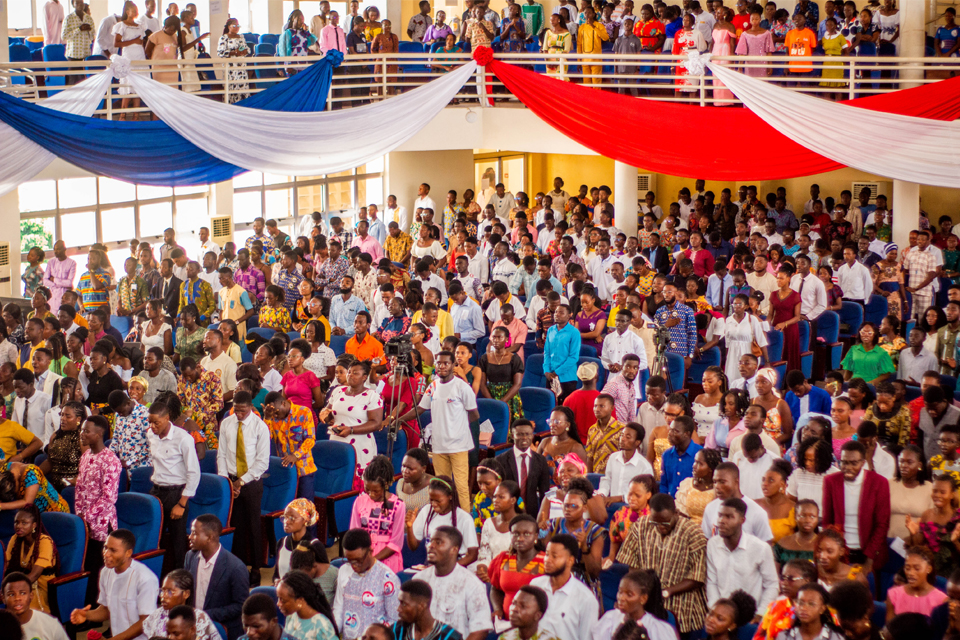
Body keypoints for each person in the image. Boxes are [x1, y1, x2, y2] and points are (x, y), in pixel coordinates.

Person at [614, 491, 709, 634]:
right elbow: (632, 566)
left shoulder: (693, 533)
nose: (660, 526)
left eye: (665, 522)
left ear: (676, 513)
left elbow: (697, 577)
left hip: (681, 606)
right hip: (647, 601)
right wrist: (642, 589)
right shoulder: (640, 526)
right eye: (655, 522)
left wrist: (665, 592)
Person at [398, 352, 478, 509]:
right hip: (438, 445)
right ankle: (445, 516)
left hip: (458, 445)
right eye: (439, 363)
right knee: (442, 486)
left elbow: (474, 414)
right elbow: (420, 409)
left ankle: (464, 519)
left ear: (453, 365)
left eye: (446, 363)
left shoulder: (462, 387)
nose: (441, 366)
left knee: (461, 487)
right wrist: (399, 419)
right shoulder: (433, 386)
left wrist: (458, 427)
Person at [218, 390, 270, 587]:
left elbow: (262, 462)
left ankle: (255, 568)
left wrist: (241, 482)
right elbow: (222, 454)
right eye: (236, 410)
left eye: (242, 410)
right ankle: (239, 567)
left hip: (251, 481)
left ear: (250, 407)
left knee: (253, 525)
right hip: (231, 480)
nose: (239, 414)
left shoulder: (260, 427)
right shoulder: (226, 423)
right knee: (235, 525)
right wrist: (226, 481)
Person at [70, 529, 160, 640]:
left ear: (128, 553)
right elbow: (107, 609)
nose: (106, 554)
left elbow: (146, 621)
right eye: (105, 547)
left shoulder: (145, 578)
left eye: (113, 550)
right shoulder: (105, 572)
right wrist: (86, 615)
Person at [147, 402, 201, 577]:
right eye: (150, 422)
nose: (152, 426)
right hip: (156, 492)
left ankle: (181, 579)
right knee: (156, 538)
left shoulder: (183, 438)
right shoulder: (151, 434)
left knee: (178, 541)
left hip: (176, 493)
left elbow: (194, 472)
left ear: (167, 418)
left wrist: (182, 503)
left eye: (156, 422)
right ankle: (159, 576)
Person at [821, 440, 891, 574]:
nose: (848, 467)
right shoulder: (831, 481)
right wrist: (834, 550)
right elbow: (827, 521)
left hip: (868, 553)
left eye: (854, 463)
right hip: (840, 553)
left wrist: (869, 560)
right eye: (844, 462)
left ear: (863, 463)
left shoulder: (879, 483)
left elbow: (882, 525)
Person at [412, 526, 491, 640]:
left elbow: (481, 630)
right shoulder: (419, 580)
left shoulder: (472, 584)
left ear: (454, 550)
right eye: (430, 541)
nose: (431, 546)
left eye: (438, 542)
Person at [706, 498, 778, 613]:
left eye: (729, 517)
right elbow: (711, 582)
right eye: (720, 515)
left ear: (742, 520)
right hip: (722, 614)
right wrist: (717, 609)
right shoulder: (712, 545)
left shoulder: (761, 548)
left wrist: (760, 613)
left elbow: (772, 585)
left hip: (751, 615)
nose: (722, 521)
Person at [185, 514, 250, 639]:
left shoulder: (235, 567)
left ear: (209, 537)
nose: (190, 536)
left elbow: (240, 606)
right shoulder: (190, 556)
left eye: (194, 533)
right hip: (194, 627)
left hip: (223, 629)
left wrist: (204, 615)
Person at [332, 528, 401, 640]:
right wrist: (331, 634)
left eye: (359, 560)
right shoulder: (344, 570)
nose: (354, 565)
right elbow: (339, 608)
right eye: (350, 560)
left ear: (370, 551)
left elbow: (394, 620)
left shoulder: (388, 578)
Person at [529, 534, 599, 640]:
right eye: (547, 554)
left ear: (570, 560)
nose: (547, 560)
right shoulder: (535, 585)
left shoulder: (586, 599)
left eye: (554, 556)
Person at [349, 456, 406, 575]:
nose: (371, 494)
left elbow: (396, 543)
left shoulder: (398, 505)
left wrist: (372, 561)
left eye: (376, 491)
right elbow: (354, 533)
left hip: (387, 559)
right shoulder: (359, 501)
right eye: (367, 489)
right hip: (363, 556)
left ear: (385, 485)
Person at [3, 504, 57, 613]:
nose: (19, 526)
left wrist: (12, 590)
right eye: (16, 522)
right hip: (21, 586)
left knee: (17, 606)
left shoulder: (45, 541)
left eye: (24, 523)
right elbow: (5, 566)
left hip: (41, 588)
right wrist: (4, 586)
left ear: (34, 525)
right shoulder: (15, 539)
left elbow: (34, 575)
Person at [143, 569, 222, 640]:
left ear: (186, 594)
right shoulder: (157, 615)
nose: (163, 596)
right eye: (163, 591)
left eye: (170, 591)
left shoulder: (199, 618)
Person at [496, 420, 551, 517]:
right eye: (520, 434)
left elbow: (544, 491)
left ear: (532, 435)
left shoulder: (540, 460)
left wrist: (543, 516)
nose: (524, 438)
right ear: (512, 436)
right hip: (508, 512)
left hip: (532, 514)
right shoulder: (501, 460)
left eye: (528, 434)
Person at [2, 571, 69, 640]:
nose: (17, 598)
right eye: (11, 594)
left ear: (31, 595)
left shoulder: (51, 625)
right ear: (3, 598)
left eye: (22, 593)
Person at [277, 570, 339, 640]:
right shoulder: (292, 616)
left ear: (300, 601)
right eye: (278, 598)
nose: (278, 603)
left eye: (283, 601)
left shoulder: (321, 626)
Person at [390, 579, 462, 640]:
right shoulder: (395, 631)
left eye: (404, 604)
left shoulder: (450, 636)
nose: (398, 609)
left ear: (421, 606)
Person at [543, 305, 582, 402]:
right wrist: (546, 371)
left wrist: (557, 372)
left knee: (565, 406)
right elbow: (547, 353)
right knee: (551, 405)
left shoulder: (574, 332)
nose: (557, 315)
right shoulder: (551, 330)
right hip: (551, 376)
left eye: (561, 313)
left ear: (569, 315)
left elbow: (573, 357)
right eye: (556, 312)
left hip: (567, 377)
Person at [660, 415, 702, 497]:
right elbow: (664, 484)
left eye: (675, 431)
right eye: (670, 430)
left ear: (686, 434)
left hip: (691, 501)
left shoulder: (700, 454)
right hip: (670, 501)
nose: (670, 434)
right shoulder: (667, 455)